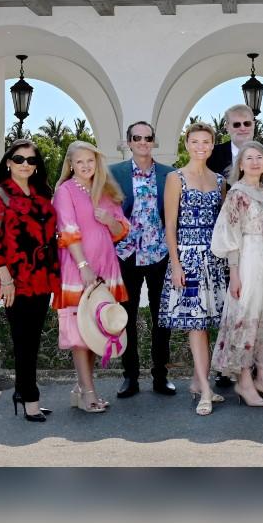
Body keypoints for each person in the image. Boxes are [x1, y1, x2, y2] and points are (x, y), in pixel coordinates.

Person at [210, 143, 263, 406]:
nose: (256, 162)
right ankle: (244, 382)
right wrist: (234, 272)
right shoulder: (237, 193)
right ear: (241, 164)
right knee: (247, 317)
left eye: (260, 157)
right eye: (250, 158)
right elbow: (230, 234)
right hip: (248, 261)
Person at [0, 139, 59, 422]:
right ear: (8, 162)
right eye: (19, 159)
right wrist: (5, 280)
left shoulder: (41, 193)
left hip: (42, 276)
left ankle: (22, 390)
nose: (25, 164)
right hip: (14, 279)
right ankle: (30, 397)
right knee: (23, 340)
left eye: (31, 160)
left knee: (32, 338)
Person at [54, 140, 130, 415]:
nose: (85, 166)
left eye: (90, 161)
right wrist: (84, 266)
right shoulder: (65, 191)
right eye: (79, 162)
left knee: (96, 329)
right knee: (80, 335)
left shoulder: (105, 191)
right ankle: (88, 393)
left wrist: (109, 220)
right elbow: (68, 231)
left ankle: (79, 388)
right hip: (80, 268)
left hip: (106, 267)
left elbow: (122, 229)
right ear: (70, 165)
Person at [159, 122, 228, 415]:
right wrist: (175, 264)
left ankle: (198, 382)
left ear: (212, 145)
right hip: (186, 258)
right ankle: (206, 389)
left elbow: (224, 224)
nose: (201, 146)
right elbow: (170, 226)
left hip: (215, 259)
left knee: (210, 323)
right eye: (195, 141)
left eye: (206, 142)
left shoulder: (220, 180)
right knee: (196, 325)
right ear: (187, 144)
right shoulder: (176, 178)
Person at [108, 120, 176, 398]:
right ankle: (130, 377)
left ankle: (161, 376)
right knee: (127, 317)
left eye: (148, 138)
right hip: (126, 254)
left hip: (160, 253)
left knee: (163, 318)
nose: (143, 142)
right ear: (129, 142)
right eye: (137, 138)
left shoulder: (169, 175)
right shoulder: (115, 173)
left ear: (154, 141)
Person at [206, 103, 263, 179]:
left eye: (247, 123)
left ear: (253, 125)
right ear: (227, 127)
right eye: (236, 124)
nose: (243, 128)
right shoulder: (212, 154)